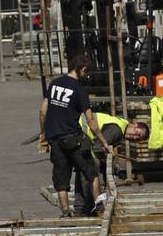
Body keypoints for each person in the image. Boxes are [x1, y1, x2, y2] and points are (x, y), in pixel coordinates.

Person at [39, 54, 114, 218]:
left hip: (55, 140)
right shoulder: (80, 90)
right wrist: (104, 142)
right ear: (83, 69)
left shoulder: (54, 84)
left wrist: (43, 135)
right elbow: (91, 121)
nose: (87, 77)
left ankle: (66, 212)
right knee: (91, 171)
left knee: (61, 178)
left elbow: (43, 111)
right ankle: (99, 206)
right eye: (87, 73)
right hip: (74, 139)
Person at [74, 113, 149, 215]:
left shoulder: (121, 126)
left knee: (84, 171)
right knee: (91, 169)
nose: (135, 137)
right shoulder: (117, 130)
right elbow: (98, 147)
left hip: (76, 129)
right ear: (134, 124)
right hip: (78, 130)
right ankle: (86, 209)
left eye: (138, 139)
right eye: (137, 133)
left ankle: (80, 209)